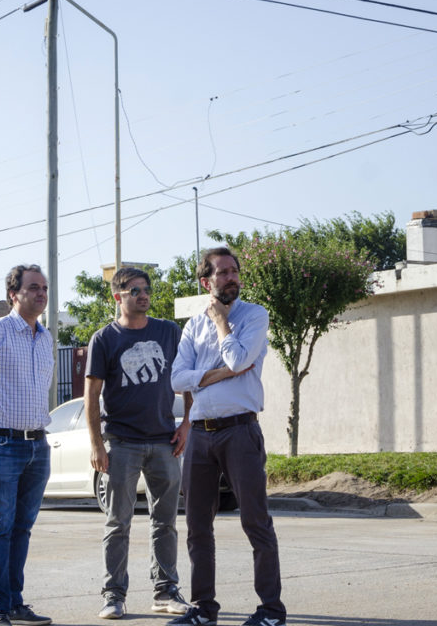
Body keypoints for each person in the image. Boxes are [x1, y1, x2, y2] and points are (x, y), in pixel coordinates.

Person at [169, 247, 286, 626]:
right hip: (201, 434)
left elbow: (238, 361)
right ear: (206, 281)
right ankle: (203, 609)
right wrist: (214, 374)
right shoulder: (191, 325)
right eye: (222, 272)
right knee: (197, 526)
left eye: (234, 271)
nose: (231, 277)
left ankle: (271, 610)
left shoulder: (254, 315)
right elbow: (175, 380)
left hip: (240, 430)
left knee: (255, 520)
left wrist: (222, 324)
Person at [85, 266, 191, 620]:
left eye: (146, 289)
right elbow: (91, 395)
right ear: (118, 297)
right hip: (121, 442)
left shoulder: (167, 331)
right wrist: (97, 444)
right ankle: (113, 594)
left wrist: (187, 424)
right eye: (134, 290)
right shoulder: (104, 339)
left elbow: (185, 379)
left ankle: (165, 591)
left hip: (164, 441)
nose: (143, 295)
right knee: (118, 522)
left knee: (165, 521)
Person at [0, 265, 55, 626]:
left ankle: (16, 603)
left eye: (45, 288)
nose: (41, 294)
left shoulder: (46, 337)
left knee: (22, 528)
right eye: (33, 288)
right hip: (0, 444)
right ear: (13, 295)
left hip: (38, 446)